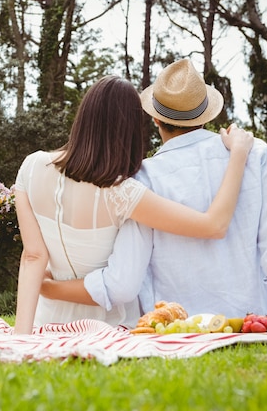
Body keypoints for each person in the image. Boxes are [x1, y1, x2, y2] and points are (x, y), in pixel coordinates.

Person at [39, 59, 267, 332]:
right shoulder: (255, 154)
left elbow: (121, 279)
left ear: (155, 117)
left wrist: (50, 287)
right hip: (250, 323)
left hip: (177, 329)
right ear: (206, 112)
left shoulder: (142, 179)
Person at [13, 74, 254, 334]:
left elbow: (33, 256)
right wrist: (238, 155)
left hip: (46, 321)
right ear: (130, 129)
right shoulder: (124, 193)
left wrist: (21, 335)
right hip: (107, 327)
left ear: (83, 117)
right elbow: (213, 226)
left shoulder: (32, 166)